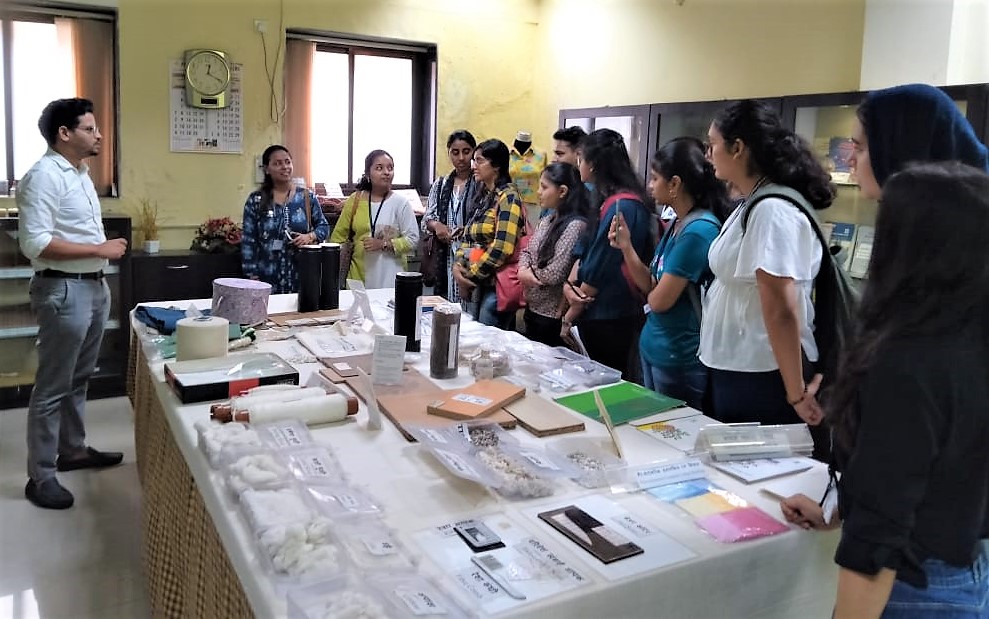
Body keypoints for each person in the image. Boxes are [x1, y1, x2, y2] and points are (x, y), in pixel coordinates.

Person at [783, 163, 989, 618]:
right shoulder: (966, 338)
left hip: (913, 586)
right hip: (965, 571)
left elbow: (882, 529)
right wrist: (839, 508)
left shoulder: (907, 359)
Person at [16, 98, 128, 510]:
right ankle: (40, 476)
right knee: (52, 386)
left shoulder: (78, 173)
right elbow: (36, 243)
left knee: (79, 378)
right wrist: (98, 247)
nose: (98, 135)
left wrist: (98, 256)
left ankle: (73, 450)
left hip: (93, 286)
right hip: (63, 289)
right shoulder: (44, 176)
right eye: (89, 128)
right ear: (64, 133)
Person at [700, 99, 835, 427]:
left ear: (737, 148)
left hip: (765, 374)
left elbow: (780, 308)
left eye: (712, 145)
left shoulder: (772, 210)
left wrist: (796, 394)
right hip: (739, 366)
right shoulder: (751, 203)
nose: (707, 154)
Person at [609, 138, 726, 409]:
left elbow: (659, 300)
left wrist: (653, 291)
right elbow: (651, 284)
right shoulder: (678, 223)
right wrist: (626, 246)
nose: (649, 186)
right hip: (656, 348)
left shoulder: (698, 231)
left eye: (654, 178)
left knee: (674, 436)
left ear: (674, 184)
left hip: (678, 357)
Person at [562, 128, 654, 378]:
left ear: (593, 164)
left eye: (580, 158)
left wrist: (571, 313)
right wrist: (569, 285)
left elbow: (601, 265)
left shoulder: (622, 205)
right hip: (594, 307)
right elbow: (584, 251)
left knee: (605, 381)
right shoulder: (605, 199)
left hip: (610, 313)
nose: (577, 164)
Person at [452, 138, 526, 330]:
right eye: (474, 161)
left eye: (480, 161)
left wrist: (470, 277)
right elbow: (469, 237)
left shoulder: (508, 197)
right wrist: (459, 265)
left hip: (496, 285)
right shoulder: (485, 195)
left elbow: (503, 247)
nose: (474, 166)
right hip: (479, 282)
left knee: (488, 342)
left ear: (497, 166)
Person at [518, 162, 593, 347]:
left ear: (562, 191)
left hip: (552, 315)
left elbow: (555, 273)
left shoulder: (575, 226)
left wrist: (528, 273)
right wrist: (522, 269)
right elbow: (527, 250)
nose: (538, 192)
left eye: (544, 187)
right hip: (533, 308)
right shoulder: (548, 219)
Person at [241, 144, 330, 293]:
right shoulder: (256, 200)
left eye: (287, 162)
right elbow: (249, 241)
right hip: (266, 277)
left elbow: (324, 227)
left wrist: (310, 236)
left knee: (301, 314)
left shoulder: (307, 197)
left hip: (301, 274)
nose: (284, 167)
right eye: (277, 163)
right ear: (266, 169)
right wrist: (251, 275)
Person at [330, 150, 420, 289]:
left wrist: (383, 244)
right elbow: (338, 238)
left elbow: (413, 239)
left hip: (391, 277)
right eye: (379, 168)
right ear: (367, 173)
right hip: (358, 278)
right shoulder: (355, 200)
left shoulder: (401, 203)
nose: (386, 172)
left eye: (390, 168)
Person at [421, 130, 480, 303]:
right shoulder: (441, 184)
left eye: (466, 151)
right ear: (449, 153)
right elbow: (427, 219)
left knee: (470, 303)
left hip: (473, 253)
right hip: (445, 253)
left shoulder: (480, 183)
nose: (461, 158)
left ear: (474, 152)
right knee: (446, 305)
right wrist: (437, 226)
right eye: (455, 152)